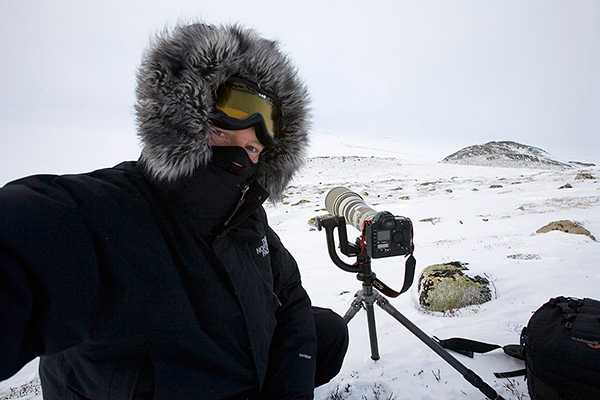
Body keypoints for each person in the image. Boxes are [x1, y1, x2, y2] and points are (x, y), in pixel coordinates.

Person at [0, 22, 348, 399]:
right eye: (221, 134)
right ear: (181, 124)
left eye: (251, 150)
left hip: (244, 368)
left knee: (327, 331)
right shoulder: (105, 213)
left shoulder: (247, 218)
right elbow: (21, 251)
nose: (239, 159)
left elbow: (291, 295)